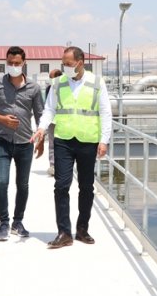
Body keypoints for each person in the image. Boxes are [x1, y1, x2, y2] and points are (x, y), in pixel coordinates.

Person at [31, 46, 112, 249]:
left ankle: (82, 229)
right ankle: (64, 232)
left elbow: (105, 112)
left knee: (86, 187)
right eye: (63, 64)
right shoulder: (58, 83)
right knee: (61, 185)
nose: (65, 67)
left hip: (88, 140)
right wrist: (40, 129)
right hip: (63, 140)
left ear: (80, 62)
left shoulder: (96, 82)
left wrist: (104, 140)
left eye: (68, 64)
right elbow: (49, 109)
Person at [0, 46, 43, 241]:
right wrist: (1, 119)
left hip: (25, 142)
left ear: (24, 63)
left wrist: (41, 140)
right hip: (2, 141)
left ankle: (18, 222)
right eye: (10, 63)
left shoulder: (34, 88)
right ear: (6, 62)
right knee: (1, 182)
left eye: (17, 63)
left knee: (22, 184)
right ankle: (4, 223)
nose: (13, 66)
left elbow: (41, 115)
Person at [42, 68, 62, 176]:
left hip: (63, 121)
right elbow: (48, 105)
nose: (50, 79)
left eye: (51, 77)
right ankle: (53, 165)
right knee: (52, 143)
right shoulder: (49, 88)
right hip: (52, 121)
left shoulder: (66, 87)